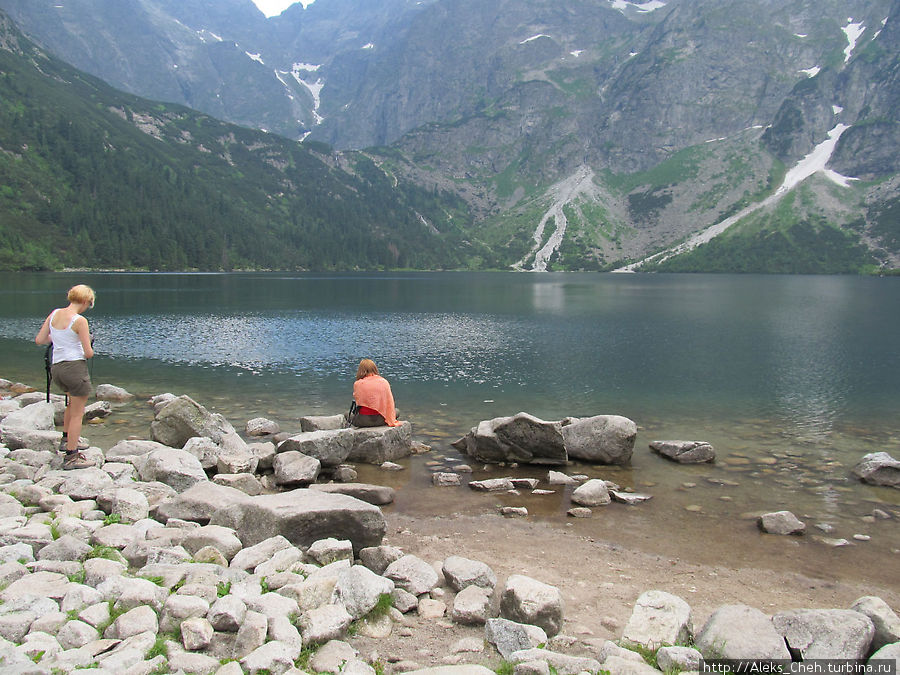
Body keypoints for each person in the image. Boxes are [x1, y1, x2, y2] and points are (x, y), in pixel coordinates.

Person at [35, 284, 96, 469]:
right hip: (75, 368)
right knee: (78, 413)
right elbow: (88, 353)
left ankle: (65, 439)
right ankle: (72, 456)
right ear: (85, 301)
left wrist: (61, 339)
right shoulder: (80, 321)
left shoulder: (54, 314)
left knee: (70, 403)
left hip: (57, 368)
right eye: (89, 304)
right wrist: (88, 341)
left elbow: (40, 340)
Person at [350, 358, 402, 427]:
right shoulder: (384, 382)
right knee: (397, 411)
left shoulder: (358, 384)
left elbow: (358, 402)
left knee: (346, 414)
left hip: (365, 420)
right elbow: (389, 403)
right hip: (382, 419)